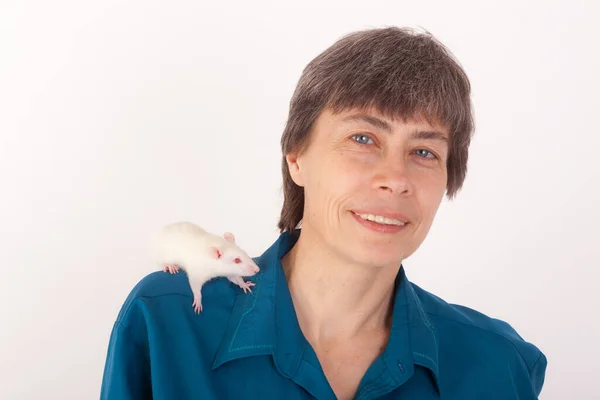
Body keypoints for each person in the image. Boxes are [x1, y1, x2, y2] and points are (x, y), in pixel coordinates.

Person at [100, 26, 547, 399]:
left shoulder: (498, 366)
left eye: (425, 151)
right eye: (364, 139)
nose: (396, 178)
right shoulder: (166, 322)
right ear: (296, 156)